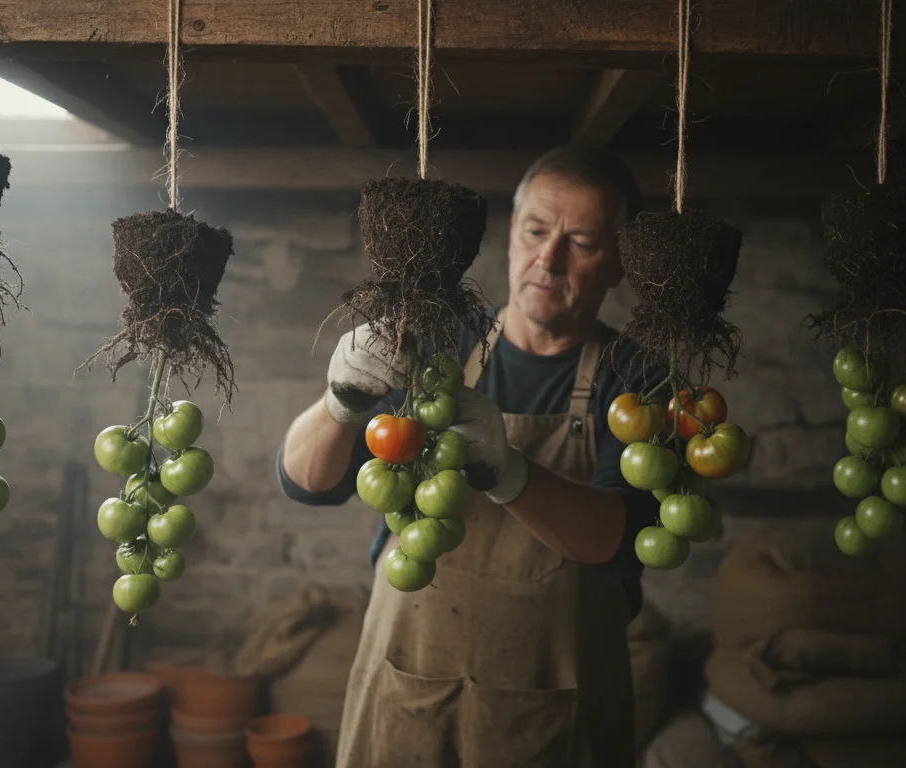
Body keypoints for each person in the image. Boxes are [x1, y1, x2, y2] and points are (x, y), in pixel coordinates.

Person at [275, 146, 663, 767]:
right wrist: (338, 404)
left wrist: (509, 474)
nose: (548, 259)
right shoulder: (438, 343)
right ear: (512, 234)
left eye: (582, 242)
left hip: (560, 703)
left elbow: (619, 539)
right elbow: (306, 482)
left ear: (618, 263)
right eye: (536, 231)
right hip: (410, 683)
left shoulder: (638, 379)